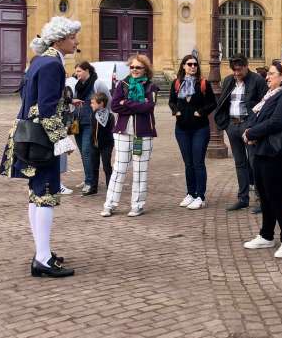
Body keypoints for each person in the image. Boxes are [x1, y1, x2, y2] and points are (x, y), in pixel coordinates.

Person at [0, 16, 80, 278]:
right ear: (60, 40)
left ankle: (41, 253)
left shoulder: (40, 61)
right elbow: (44, 110)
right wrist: (62, 140)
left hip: (29, 134)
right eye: (72, 37)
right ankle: (43, 259)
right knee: (45, 194)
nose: (75, 42)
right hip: (40, 139)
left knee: (37, 194)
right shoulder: (51, 65)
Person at [241, 61, 282, 259]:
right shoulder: (270, 95)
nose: (267, 77)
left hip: (278, 154)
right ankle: (266, 234)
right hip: (262, 150)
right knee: (265, 194)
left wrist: (251, 132)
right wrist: (249, 131)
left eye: (271, 74)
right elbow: (257, 117)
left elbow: (277, 122)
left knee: (276, 196)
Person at [101, 54, 158, 218]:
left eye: (138, 67)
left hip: (143, 133)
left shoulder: (151, 86)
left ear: (145, 69)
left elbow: (148, 107)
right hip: (122, 132)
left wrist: (125, 103)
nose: (134, 70)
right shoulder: (122, 84)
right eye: (132, 67)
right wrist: (133, 105)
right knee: (119, 168)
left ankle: (137, 205)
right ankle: (110, 204)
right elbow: (114, 106)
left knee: (140, 170)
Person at [214, 55, 268, 211]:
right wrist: (225, 124)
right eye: (234, 70)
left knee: (254, 161)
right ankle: (243, 198)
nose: (236, 73)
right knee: (240, 163)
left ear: (246, 66)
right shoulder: (228, 80)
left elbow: (264, 104)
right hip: (232, 125)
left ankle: (261, 199)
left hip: (248, 126)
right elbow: (223, 102)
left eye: (239, 70)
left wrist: (254, 126)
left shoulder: (257, 80)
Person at [169, 54, 216, 210]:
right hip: (182, 129)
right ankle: (190, 193)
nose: (192, 67)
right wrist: (176, 111)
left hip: (200, 129)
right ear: (183, 66)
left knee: (198, 163)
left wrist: (200, 112)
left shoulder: (203, 83)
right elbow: (171, 101)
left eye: (195, 64)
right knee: (188, 163)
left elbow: (212, 103)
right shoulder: (177, 83)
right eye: (189, 64)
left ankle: (200, 196)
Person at [71, 61, 111, 196]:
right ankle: (89, 178)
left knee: (88, 151)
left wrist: (103, 119)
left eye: (79, 71)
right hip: (77, 123)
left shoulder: (97, 83)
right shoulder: (77, 85)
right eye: (76, 72)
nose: (77, 74)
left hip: (91, 123)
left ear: (87, 70)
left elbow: (108, 100)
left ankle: (90, 183)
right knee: (83, 152)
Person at [89, 92, 114, 193]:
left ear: (101, 103)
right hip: (94, 144)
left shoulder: (110, 116)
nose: (91, 105)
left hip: (106, 145)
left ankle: (110, 187)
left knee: (106, 166)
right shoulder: (93, 114)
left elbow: (109, 131)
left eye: (93, 103)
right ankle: (93, 187)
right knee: (94, 166)